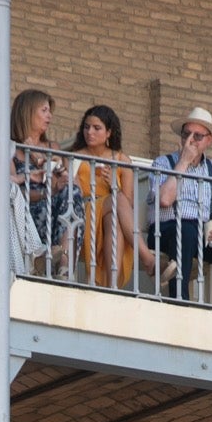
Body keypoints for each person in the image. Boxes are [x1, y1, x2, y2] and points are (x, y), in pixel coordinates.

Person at [146, 106, 212, 306]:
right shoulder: (163, 163)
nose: (190, 140)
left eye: (197, 136)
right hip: (167, 231)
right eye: (186, 134)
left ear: (209, 140)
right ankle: (179, 301)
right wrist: (184, 162)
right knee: (186, 230)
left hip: (202, 234)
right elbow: (164, 200)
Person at [69, 104, 167, 288]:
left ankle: (110, 288)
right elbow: (70, 194)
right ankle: (147, 259)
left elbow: (127, 204)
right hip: (83, 213)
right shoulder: (76, 157)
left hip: (113, 214)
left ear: (109, 133)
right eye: (86, 127)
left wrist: (114, 185)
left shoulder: (123, 161)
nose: (89, 132)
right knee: (117, 202)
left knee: (115, 219)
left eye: (97, 128)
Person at [10, 87, 85, 268]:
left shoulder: (53, 146)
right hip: (27, 212)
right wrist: (46, 191)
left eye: (50, 111)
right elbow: (11, 192)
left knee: (72, 193)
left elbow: (75, 187)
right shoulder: (11, 149)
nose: (49, 116)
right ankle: (57, 262)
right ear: (27, 112)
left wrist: (45, 161)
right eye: (44, 110)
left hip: (56, 211)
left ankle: (64, 265)